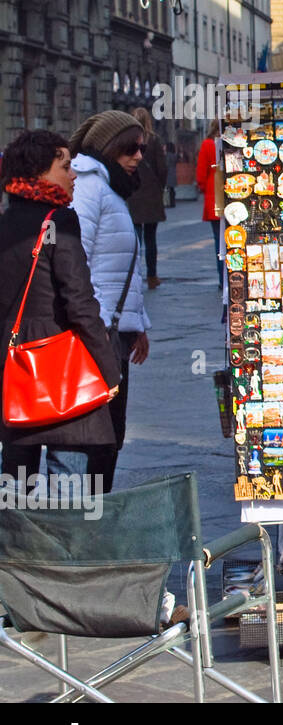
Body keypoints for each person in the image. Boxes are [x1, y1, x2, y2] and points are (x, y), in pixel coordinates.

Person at [0, 130, 122, 487]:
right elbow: (80, 303)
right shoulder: (59, 221)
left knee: (16, 489)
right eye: (65, 166)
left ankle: (21, 545)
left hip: (14, 373)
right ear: (40, 170)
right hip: (61, 371)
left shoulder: (6, 222)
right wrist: (108, 370)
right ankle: (65, 544)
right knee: (67, 489)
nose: (73, 175)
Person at [68, 110, 151, 490]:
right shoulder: (89, 187)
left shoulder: (110, 188)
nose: (138, 156)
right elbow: (75, 261)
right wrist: (96, 326)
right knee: (97, 435)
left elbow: (122, 266)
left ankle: (93, 515)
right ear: (107, 148)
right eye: (130, 149)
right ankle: (86, 519)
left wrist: (138, 324)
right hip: (96, 334)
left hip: (113, 332)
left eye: (141, 148)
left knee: (111, 433)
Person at [126, 106, 167, 290]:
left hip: (133, 193)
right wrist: (160, 186)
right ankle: (152, 276)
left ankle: (135, 275)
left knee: (135, 238)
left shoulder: (126, 141)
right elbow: (162, 168)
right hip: (151, 195)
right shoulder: (154, 140)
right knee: (151, 239)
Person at [196, 119, 221, 286]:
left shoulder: (207, 144)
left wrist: (205, 188)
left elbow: (200, 173)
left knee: (218, 241)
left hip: (214, 193)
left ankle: (222, 279)